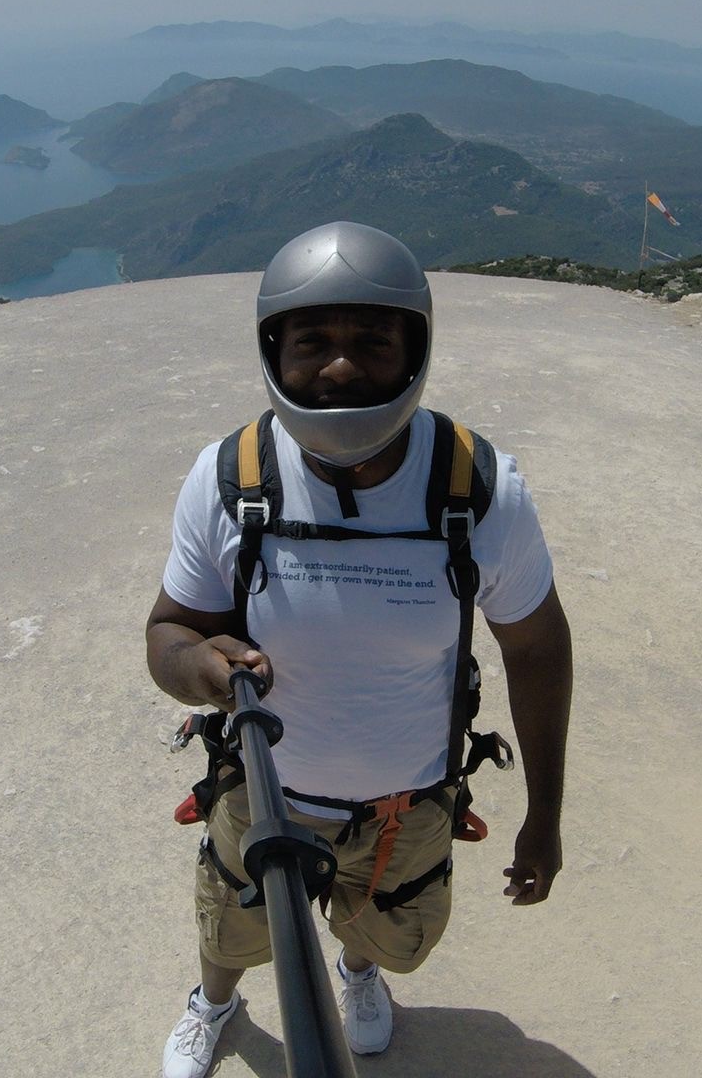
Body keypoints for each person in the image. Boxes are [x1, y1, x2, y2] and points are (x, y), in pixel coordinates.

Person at [144, 221, 573, 1078]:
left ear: (414, 349)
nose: (340, 367)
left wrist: (547, 817)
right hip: (264, 789)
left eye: (372, 341)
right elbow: (169, 632)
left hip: (406, 802)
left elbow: (536, 649)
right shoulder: (233, 476)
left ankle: (358, 969)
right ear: (275, 348)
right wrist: (199, 670)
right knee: (234, 918)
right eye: (312, 343)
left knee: (382, 922)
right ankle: (217, 1004)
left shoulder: (478, 490)